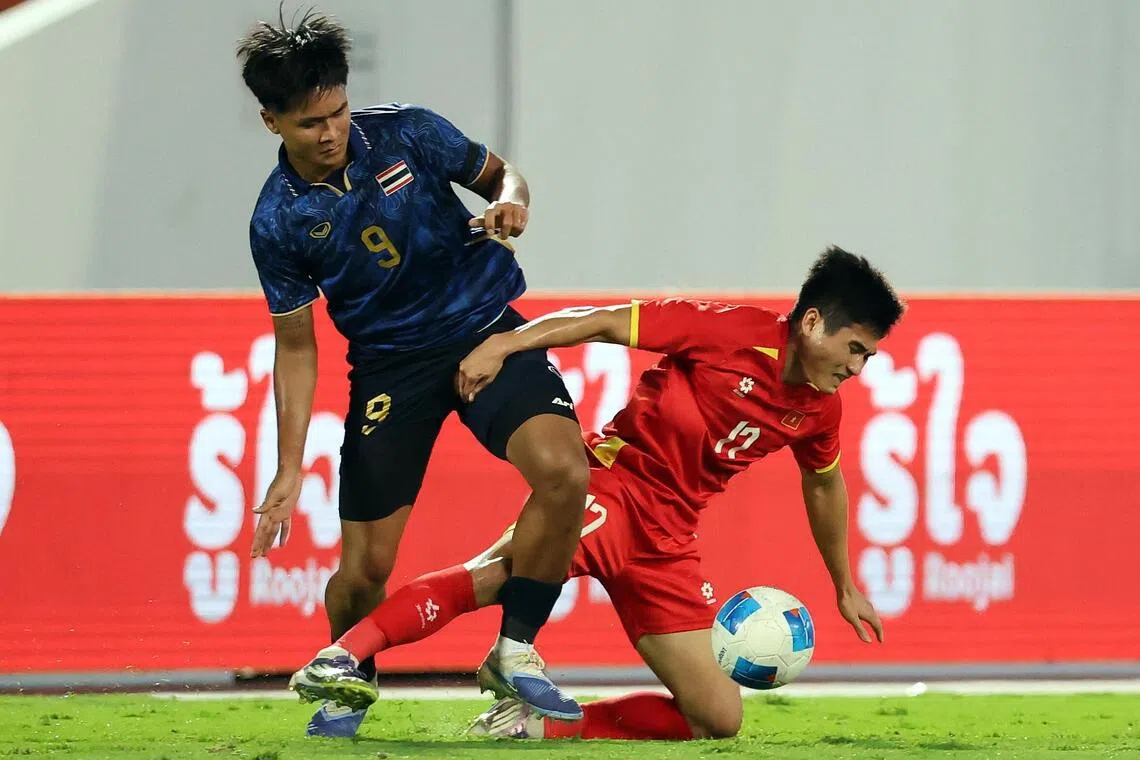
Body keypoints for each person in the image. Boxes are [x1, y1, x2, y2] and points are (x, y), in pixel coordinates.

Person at [288, 247, 905, 740]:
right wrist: (507, 341)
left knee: (718, 718)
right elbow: (603, 320)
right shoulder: (725, 330)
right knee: (496, 575)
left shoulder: (821, 411)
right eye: (854, 348)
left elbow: (824, 484)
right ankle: (344, 657)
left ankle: (548, 724)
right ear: (813, 322)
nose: (857, 367)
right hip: (613, 487)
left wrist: (844, 584)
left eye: (868, 357)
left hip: (668, 539)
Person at [236, 8, 589, 737]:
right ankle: (350, 679)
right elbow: (297, 347)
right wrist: (287, 467)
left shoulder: (408, 131)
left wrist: (512, 203)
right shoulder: (277, 221)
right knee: (365, 569)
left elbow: (504, 176)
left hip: (486, 328)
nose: (331, 132)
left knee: (565, 472)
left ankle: (516, 650)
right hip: (391, 368)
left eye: (336, 112)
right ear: (272, 122)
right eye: (310, 124)